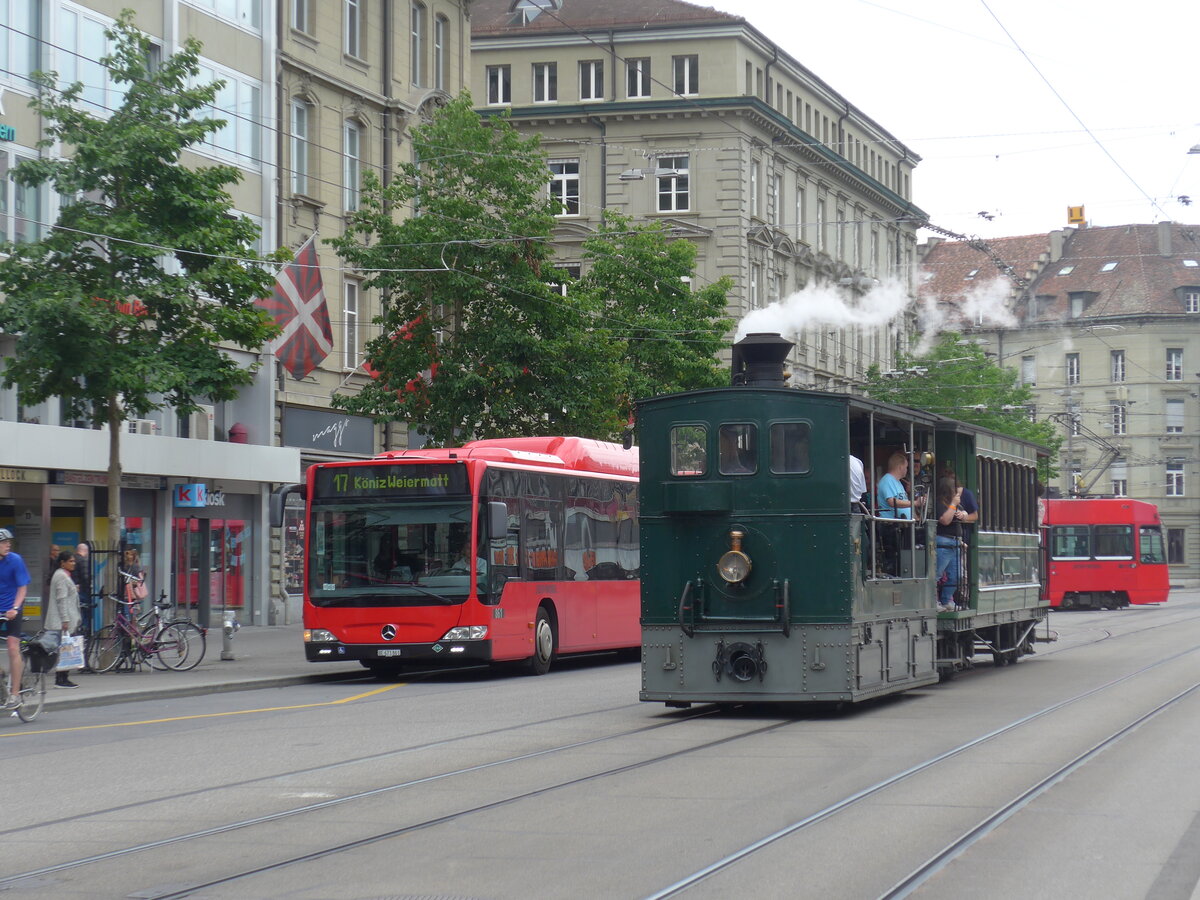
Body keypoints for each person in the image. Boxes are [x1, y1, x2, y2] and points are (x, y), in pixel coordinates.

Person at [0, 528, 31, 709]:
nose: (7, 545)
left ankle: (15, 694)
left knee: (12, 647)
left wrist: (15, 608)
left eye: (8, 542)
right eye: (4, 542)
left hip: (12, 608)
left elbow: (22, 588)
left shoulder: (15, 560)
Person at [45, 550, 82, 689]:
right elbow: (61, 599)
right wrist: (65, 620)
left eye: (74, 561)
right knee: (64, 649)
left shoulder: (63, 575)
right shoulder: (61, 576)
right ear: (62, 563)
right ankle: (61, 679)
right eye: (71, 561)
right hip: (62, 621)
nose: (74, 563)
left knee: (65, 649)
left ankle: (63, 678)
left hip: (64, 619)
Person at [935, 478, 965, 612]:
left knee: (956, 575)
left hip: (956, 542)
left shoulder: (955, 504)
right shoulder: (940, 504)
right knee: (937, 573)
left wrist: (963, 514)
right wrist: (953, 505)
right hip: (944, 541)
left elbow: (965, 514)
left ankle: (947, 599)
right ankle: (932, 601)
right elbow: (945, 520)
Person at [876, 451, 913, 518]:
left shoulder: (898, 482)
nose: (907, 470)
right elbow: (892, 502)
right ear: (900, 467)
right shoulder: (887, 480)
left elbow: (903, 501)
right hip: (891, 525)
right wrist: (914, 503)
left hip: (903, 524)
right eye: (906, 467)